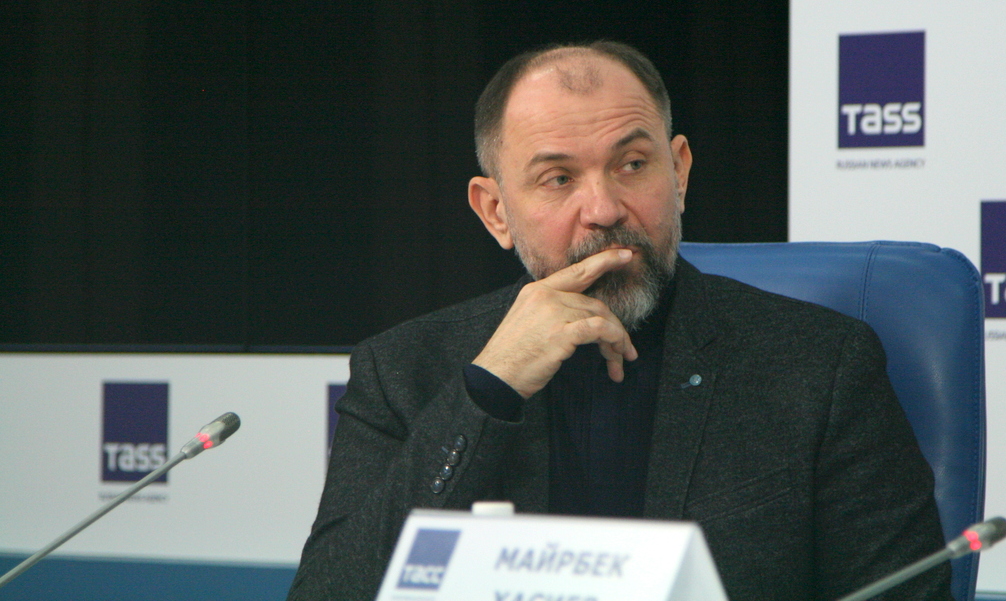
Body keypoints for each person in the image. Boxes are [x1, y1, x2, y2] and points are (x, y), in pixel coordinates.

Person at [287, 42, 951, 601]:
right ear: (495, 211)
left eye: (632, 165)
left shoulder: (819, 366)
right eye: (558, 179)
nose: (603, 209)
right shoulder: (404, 371)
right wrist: (486, 392)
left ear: (679, 172)